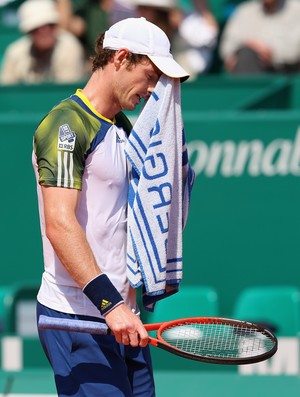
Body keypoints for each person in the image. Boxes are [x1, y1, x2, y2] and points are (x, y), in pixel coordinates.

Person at [33, 17, 189, 396]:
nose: (154, 91)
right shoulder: (66, 124)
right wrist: (110, 304)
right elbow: (59, 223)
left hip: (122, 319)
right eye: (150, 76)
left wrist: (122, 308)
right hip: (79, 318)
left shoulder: (123, 126)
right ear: (121, 58)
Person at [0, 0, 88, 85]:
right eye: (36, 28)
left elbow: (67, 93)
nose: (44, 31)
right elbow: (6, 91)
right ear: (28, 32)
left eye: (50, 25)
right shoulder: (15, 52)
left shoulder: (70, 47)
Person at [132, 0, 219, 79]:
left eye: (145, 8)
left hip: (188, 74)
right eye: (139, 8)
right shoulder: (138, 27)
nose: (140, 12)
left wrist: (180, 24)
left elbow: (210, 37)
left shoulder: (187, 19)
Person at [219, 0, 300, 74]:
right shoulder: (244, 10)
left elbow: (294, 52)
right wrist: (251, 45)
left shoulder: (296, 9)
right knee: (247, 55)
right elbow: (227, 46)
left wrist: (270, 54)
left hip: (284, 72)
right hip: (246, 65)